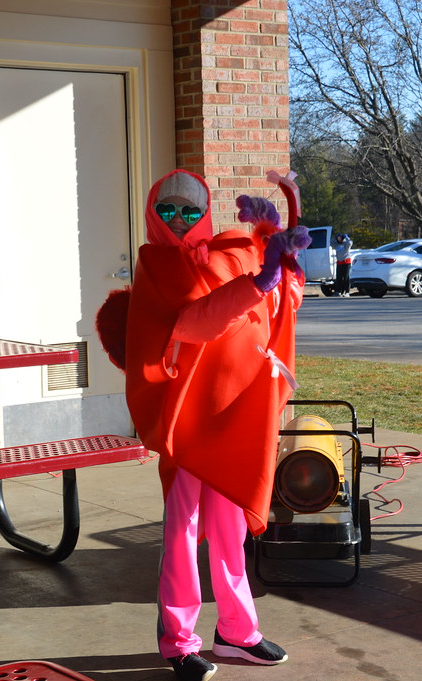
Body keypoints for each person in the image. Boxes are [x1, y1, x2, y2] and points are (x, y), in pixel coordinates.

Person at [118, 169, 309, 681]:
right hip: (187, 422)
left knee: (228, 528)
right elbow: (193, 321)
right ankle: (179, 640)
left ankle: (237, 632)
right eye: (168, 209)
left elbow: (280, 300)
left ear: (205, 214)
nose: (178, 220)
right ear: (152, 214)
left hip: (232, 413)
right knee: (183, 531)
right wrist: (259, 279)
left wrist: (282, 255)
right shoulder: (155, 264)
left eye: (189, 210)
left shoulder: (231, 250)